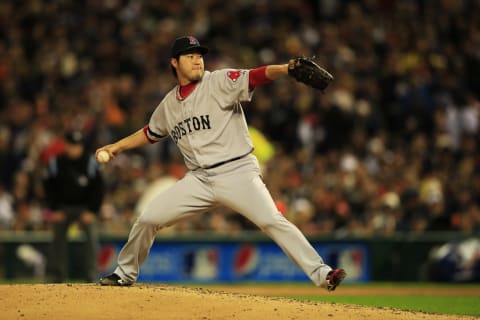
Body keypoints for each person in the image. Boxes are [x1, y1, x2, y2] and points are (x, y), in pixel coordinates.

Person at [97, 36, 346, 291]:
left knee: (272, 220)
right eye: (190, 56)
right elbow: (150, 132)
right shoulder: (168, 105)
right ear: (174, 63)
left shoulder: (218, 81)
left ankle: (322, 273)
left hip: (237, 171)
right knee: (148, 218)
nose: (197, 60)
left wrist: (285, 69)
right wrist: (116, 146)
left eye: (199, 55)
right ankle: (124, 273)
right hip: (199, 180)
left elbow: (256, 76)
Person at [43, 130, 105, 282]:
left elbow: (99, 188)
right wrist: (55, 208)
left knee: (91, 236)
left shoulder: (90, 162)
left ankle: (92, 275)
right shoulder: (56, 162)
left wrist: (92, 210)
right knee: (57, 237)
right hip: (63, 206)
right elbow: (48, 186)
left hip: (84, 207)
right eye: (71, 145)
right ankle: (56, 276)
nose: (74, 148)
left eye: (77, 145)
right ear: (66, 145)